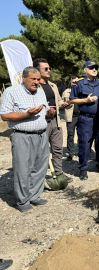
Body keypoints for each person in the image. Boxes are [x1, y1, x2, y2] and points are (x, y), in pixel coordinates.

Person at [0, 66, 56, 212]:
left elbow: (44, 114)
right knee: (23, 169)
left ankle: (34, 195)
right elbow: (5, 115)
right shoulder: (11, 92)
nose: (36, 82)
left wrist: (49, 114)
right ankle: (22, 200)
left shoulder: (40, 92)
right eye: (33, 79)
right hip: (22, 135)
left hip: (41, 134)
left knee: (40, 167)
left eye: (38, 79)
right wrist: (26, 115)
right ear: (24, 78)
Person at [33, 58, 72, 183]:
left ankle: (59, 175)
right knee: (41, 153)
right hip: (42, 123)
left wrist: (63, 105)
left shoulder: (53, 85)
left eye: (49, 68)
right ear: (37, 70)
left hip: (56, 121)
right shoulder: (34, 86)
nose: (49, 70)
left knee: (57, 149)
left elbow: (59, 101)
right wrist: (45, 111)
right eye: (46, 68)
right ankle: (39, 179)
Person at [69, 60, 99, 180]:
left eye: (96, 67)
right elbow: (72, 100)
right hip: (86, 119)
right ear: (85, 70)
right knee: (85, 144)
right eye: (91, 68)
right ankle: (83, 169)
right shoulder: (78, 84)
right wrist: (86, 100)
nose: (94, 70)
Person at [62, 75, 79, 161]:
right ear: (70, 82)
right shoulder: (66, 92)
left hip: (81, 116)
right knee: (70, 135)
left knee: (81, 135)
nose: (74, 84)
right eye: (73, 82)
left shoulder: (81, 90)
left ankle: (81, 152)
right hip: (70, 117)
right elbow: (61, 104)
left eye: (76, 82)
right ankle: (70, 153)